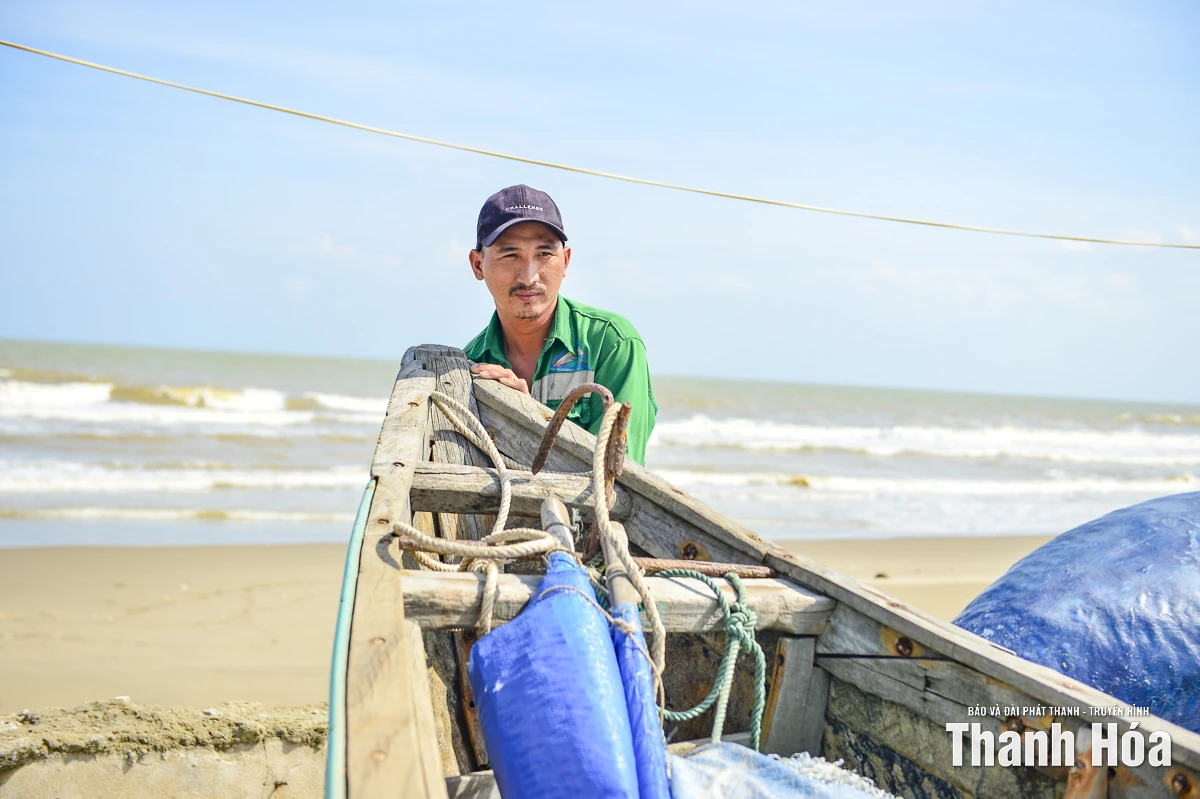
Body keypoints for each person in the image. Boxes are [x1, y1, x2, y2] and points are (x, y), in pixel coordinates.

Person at [464, 184, 657, 464]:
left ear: (565, 261)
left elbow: (618, 476)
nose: (529, 277)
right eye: (510, 255)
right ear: (478, 265)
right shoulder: (470, 364)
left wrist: (527, 418)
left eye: (544, 254)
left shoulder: (611, 343)